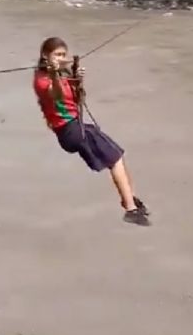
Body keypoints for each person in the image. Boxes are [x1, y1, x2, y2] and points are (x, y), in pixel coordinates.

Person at [32, 37, 151, 226]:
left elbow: (77, 101)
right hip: (69, 131)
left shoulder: (64, 74)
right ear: (46, 56)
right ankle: (130, 209)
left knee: (118, 155)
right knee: (115, 159)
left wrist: (78, 80)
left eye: (64, 54)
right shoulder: (41, 79)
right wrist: (55, 74)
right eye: (57, 55)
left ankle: (131, 199)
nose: (62, 58)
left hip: (77, 126)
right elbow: (56, 95)